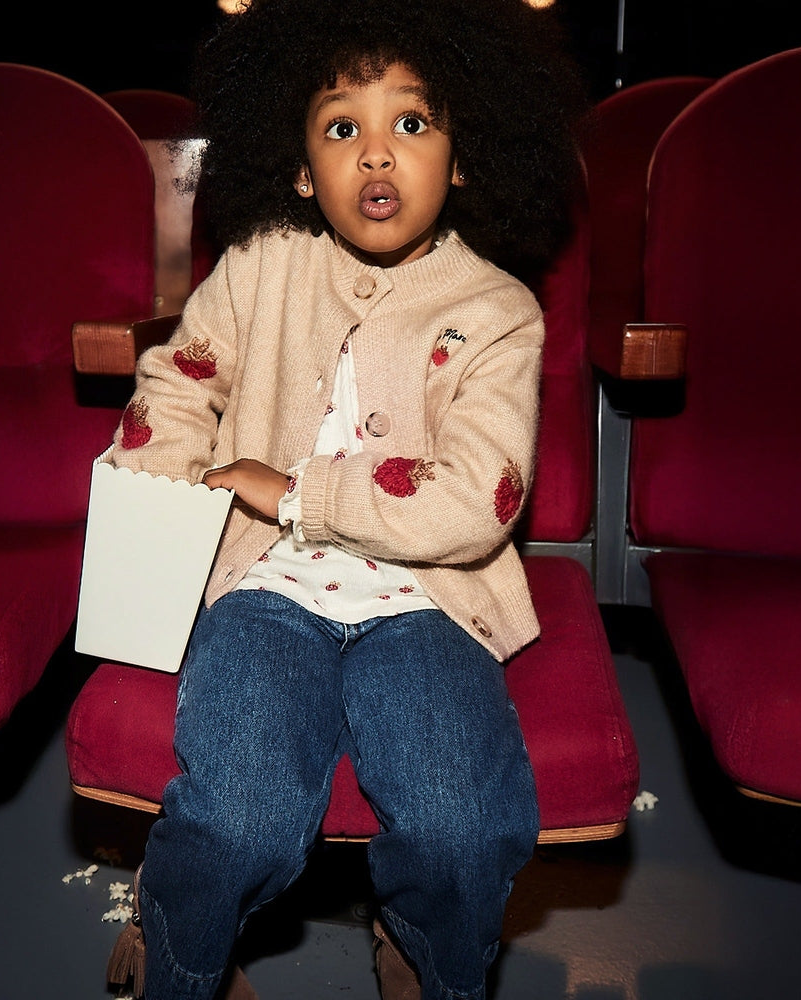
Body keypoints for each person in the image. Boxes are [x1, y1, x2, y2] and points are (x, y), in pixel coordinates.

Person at [107, 0, 585, 997]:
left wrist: (294, 491)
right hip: (261, 588)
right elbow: (178, 381)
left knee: (463, 823)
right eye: (341, 128)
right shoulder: (259, 267)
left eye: (410, 123)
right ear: (298, 168)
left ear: (462, 158)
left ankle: (420, 942)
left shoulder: (499, 311)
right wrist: (163, 492)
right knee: (236, 811)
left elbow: (474, 504)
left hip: (429, 603)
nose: (377, 154)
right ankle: (184, 940)